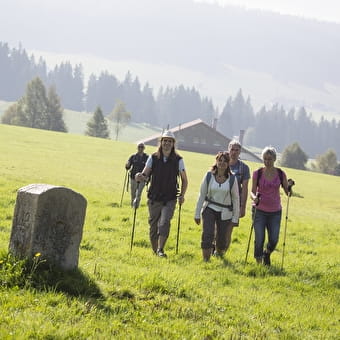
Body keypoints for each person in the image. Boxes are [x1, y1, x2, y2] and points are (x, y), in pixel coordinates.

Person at [135, 130, 188, 258]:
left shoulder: (178, 160)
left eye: (170, 141)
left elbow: (184, 180)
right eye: (165, 141)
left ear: (173, 143)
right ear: (161, 142)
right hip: (154, 197)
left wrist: (182, 195)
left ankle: (160, 249)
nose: (167, 143)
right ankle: (155, 250)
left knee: (164, 222)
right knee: (153, 225)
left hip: (170, 198)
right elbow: (145, 174)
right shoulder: (153, 158)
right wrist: (139, 176)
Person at [250, 146, 293, 266]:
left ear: (274, 159)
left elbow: (287, 192)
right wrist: (255, 198)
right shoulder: (257, 173)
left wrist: (289, 187)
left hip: (275, 212)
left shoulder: (280, 173)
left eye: (269, 159)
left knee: (274, 239)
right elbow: (252, 192)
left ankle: (267, 253)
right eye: (265, 159)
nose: (267, 162)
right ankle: (259, 264)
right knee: (259, 239)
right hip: (259, 210)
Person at [194, 151, 240, 262]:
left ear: (228, 163)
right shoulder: (209, 176)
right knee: (208, 233)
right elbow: (202, 195)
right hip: (209, 208)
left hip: (225, 212)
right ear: (216, 161)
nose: (222, 163)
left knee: (221, 240)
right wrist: (197, 214)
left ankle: (219, 253)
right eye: (220, 160)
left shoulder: (232, 179)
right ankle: (206, 259)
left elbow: (236, 199)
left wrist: (235, 218)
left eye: (225, 161)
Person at [228, 140, 250, 219]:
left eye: (236, 150)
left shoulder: (244, 168)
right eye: (232, 149)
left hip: (235, 202)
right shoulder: (221, 163)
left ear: (240, 151)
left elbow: (245, 189)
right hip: (219, 200)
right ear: (228, 150)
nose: (234, 152)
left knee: (229, 228)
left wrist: (243, 207)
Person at [125, 142, 148, 208]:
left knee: (138, 194)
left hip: (142, 179)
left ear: (144, 148)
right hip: (133, 178)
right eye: (139, 147)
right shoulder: (133, 157)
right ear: (137, 148)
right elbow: (128, 167)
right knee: (133, 193)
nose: (140, 148)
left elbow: (150, 168)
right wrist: (127, 165)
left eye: (142, 147)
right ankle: (132, 206)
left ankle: (136, 207)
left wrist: (147, 178)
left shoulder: (147, 157)